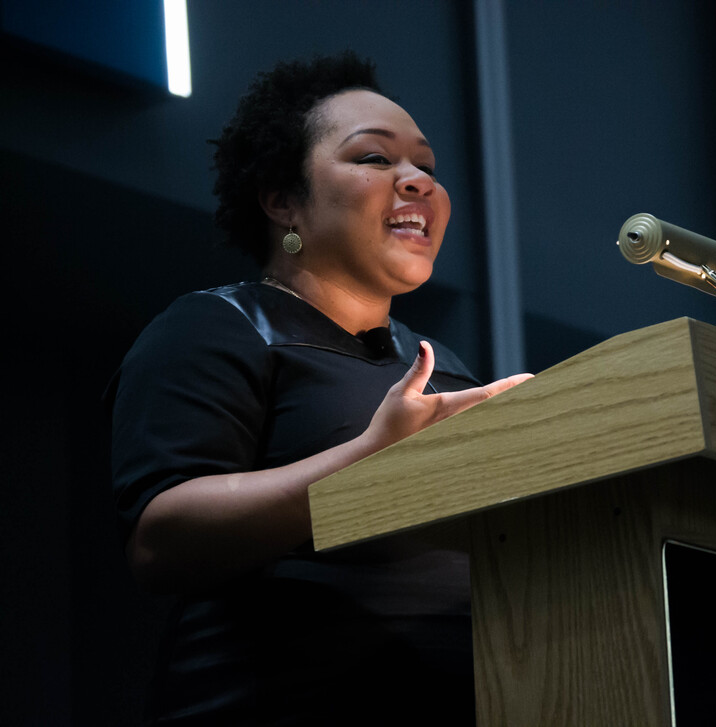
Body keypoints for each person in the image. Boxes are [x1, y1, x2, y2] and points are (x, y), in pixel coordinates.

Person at [108, 52, 530, 725]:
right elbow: (162, 540)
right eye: (373, 158)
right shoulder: (219, 326)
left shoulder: (442, 364)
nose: (418, 181)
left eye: (426, 165)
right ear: (283, 199)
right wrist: (366, 461)